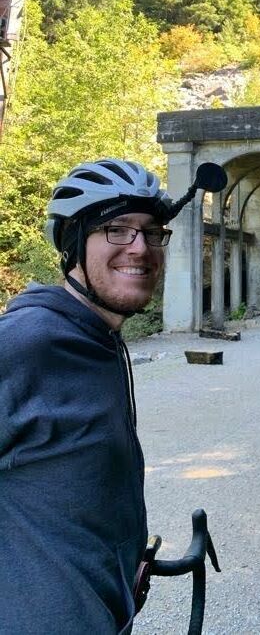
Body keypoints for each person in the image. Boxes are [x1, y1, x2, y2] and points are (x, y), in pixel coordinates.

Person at [0, 158, 176, 635]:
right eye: (117, 229)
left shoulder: (100, 340)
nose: (140, 248)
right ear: (74, 244)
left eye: (152, 231)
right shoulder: (25, 343)